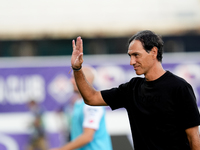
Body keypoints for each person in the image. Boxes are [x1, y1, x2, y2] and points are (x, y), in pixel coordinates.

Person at [70, 30, 200, 150]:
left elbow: (193, 136)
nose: (132, 61)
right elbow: (91, 98)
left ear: (154, 52)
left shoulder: (179, 87)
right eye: (130, 56)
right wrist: (77, 68)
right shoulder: (131, 88)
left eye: (136, 55)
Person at [50, 66, 113, 150]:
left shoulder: (92, 105)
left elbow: (87, 136)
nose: (71, 81)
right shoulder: (78, 104)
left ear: (87, 80)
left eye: (74, 77)